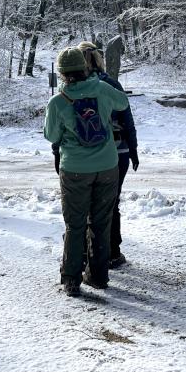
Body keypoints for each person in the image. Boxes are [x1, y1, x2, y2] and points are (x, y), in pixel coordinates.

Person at [44, 48, 129, 297]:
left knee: (75, 224)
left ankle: (71, 279)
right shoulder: (102, 89)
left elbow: (52, 135)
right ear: (85, 67)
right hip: (107, 166)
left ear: (62, 73)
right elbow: (122, 103)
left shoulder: (58, 101)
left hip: (75, 170)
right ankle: (99, 276)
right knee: (102, 223)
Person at [78, 41, 139, 268]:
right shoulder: (111, 85)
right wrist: (133, 150)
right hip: (117, 150)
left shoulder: (75, 87)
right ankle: (112, 251)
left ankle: (86, 252)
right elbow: (127, 121)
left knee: (85, 204)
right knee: (111, 202)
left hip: (83, 154)